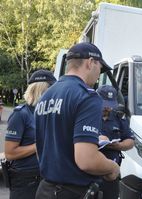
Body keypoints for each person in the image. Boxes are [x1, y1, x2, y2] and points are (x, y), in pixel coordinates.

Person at [34, 42, 120, 199]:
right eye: (100, 68)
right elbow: (87, 160)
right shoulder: (88, 96)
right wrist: (112, 167)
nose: (99, 74)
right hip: (73, 192)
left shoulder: (45, 96)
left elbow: (42, 149)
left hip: (45, 189)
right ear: (90, 63)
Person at [4, 69, 56, 199]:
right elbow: (10, 153)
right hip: (26, 179)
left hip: (48, 176)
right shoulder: (21, 114)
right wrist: (38, 145)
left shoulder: (50, 113)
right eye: (52, 88)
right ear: (42, 89)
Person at [96, 85, 135, 199]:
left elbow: (130, 140)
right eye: (104, 105)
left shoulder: (118, 116)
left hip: (112, 173)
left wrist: (119, 146)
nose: (107, 108)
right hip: (91, 171)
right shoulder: (88, 114)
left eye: (110, 105)